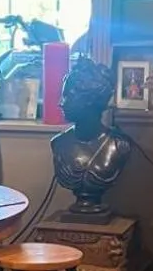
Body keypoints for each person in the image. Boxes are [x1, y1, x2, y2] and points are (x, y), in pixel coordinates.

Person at [49, 57, 132, 216]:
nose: (61, 103)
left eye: (68, 96)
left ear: (89, 100)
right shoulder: (58, 144)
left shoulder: (119, 145)